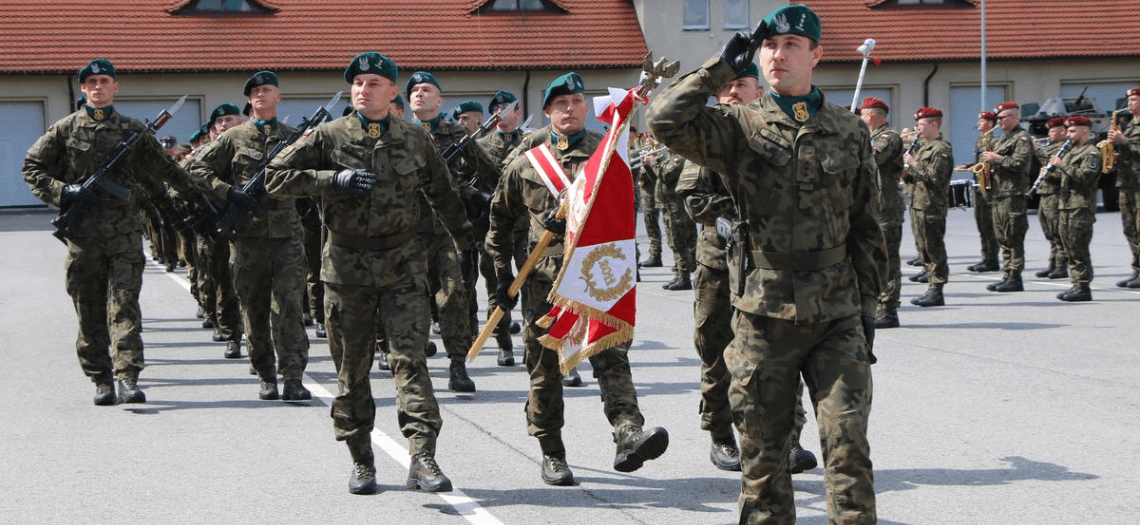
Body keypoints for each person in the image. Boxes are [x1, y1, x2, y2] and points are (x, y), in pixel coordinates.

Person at [648, 5, 882, 522]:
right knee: (763, 458)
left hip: (837, 314)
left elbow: (867, 223)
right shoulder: (737, 125)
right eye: (770, 46)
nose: (778, 55)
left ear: (816, 54)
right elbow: (662, 119)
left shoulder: (849, 129)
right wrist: (717, 71)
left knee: (848, 449)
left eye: (792, 45)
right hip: (762, 314)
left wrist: (871, 306)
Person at [265, 52, 475, 495]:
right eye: (358, 82)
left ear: (393, 92)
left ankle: (423, 456)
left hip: (402, 267)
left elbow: (443, 194)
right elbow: (273, 178)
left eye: (374, 82)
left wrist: (466, 244)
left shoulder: (415, 139)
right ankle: (362, 459)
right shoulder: (327, 136)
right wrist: (330, 181)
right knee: (352, 370)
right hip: (345, 271)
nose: (364, 89)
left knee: (410, 361)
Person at [486, 72, 670, 487]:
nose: (569, 110)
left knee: (611, 357)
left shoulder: (607, 155)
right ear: (548, 111)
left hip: (596, 276)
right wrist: (502, 276)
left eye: (576, 102)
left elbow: (625, 213)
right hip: (544, 286)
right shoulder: (526, 163)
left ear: (587, 108)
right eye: (560, 104)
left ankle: (628, 434)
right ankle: (552, 452)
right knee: (544, 370)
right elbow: (499, 221)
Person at [22, 58, 213, 405]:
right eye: (91, 81)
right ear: (83, 88)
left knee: (125, 306)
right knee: (90, 308)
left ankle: (128, 377)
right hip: (83, 236)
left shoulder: (132, 131)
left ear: (115, 87)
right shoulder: (65, 129)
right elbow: (32, 166)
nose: (98, 87)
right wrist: (65, 192)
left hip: (124, 234)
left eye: (104, 81)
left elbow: (167, 169)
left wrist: (201, 201)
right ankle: (101, 379)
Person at [675, 62, 818, 475]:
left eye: (742, 85)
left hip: (769, 265)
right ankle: (721, 434)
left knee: (778, 354)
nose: (733, 92)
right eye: (725, 87)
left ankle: (789, 438)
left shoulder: (779, 134)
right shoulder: (709, 139)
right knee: (717, 348)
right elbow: (693, 198)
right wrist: (747, 215)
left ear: (759, 91)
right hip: (720, 263)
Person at [189, 71, 311, 401]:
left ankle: (293, 376)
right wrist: (228, 192)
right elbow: (196, 169)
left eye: (266, 89)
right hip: (247, 239)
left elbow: (315, 174)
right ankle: (266, 374)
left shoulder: (296, 137)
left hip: (287, 238)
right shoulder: (234, 138)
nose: (260, 95)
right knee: (254, 309)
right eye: (254, 91)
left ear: (278, 96)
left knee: (289, 309)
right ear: (249, 100)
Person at [407, 70, 500, 392]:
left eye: (427, 89)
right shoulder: (398, 133)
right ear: (408, 101)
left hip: (449, 230)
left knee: (453, 298)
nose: (420, 94)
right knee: (412, 301)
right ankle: (414, 368)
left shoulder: (459, 135)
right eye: (415, 90)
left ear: (439, 99)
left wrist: (485, 202)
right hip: (407, 232)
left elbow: (491, 173)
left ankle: (457, 366)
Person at [475, 89, 527, 366]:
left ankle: (533, 343)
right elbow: (462, 182)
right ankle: (504, 345)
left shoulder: (532, 143)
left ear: (517, 113)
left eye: (508, 108)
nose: (502, 113)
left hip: (526, 227)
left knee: (533, 287)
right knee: (497, 287)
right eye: (497, 109)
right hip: (493, 228)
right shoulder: (480, 146)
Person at [194, 103, 246, 357]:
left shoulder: (250, 146)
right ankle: (231, 334)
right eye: (220, 121)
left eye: (230, 119)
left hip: (249, 226)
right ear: (214, 127)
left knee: (250, 283)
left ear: (240, 121)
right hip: (217, 226)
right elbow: (182, 182)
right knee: (224, 282)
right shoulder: (204, 155)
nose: (224, 125)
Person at [861, 96, 905, 328]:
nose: (860, 117)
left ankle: (888, 310)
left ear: (873, 114)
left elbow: (872, 158)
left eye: (863, 113)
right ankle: (875, 305)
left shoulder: (889, 137)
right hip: (873, 207)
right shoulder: (871, 138)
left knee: (887, 260)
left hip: (886, 208)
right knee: (873, 259)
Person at [905, 107, 953, 307]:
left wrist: (913, 164)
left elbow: (935, 178)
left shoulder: (941, 149)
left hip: (932, 206)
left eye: (921, 125)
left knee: (934, 248)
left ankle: (937, 289)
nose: (918, 129)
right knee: (923, 248)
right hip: (918, 204)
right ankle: (931, 284)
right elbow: (913, 177)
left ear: (934, 125)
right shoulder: (924, 147)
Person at [982, 101, 1033, 292]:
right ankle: (1007, 274)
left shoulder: (1021, 138)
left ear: (1013, 117)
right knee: (1002, 237)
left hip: (1013, 194)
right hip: (999, 193)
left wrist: (997, 158)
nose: (998, 122)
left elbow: (1019, 163)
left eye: (1002, 118)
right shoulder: (1002, 137)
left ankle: (1015, 276)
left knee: (1014, 237)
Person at [1051, 116, 1101, 301]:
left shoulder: (1091, 153)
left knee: (1078, 247)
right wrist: (1050, 173)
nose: (1069, 134)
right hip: (1066, 205)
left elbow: (1085, 176)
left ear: (1085, 132)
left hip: (1081, 206)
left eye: (1072, 131)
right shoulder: (1071, 152)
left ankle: (1083, 287)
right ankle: (1076, 284)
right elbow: (1064, 177)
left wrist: (1062, 165)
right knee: (1069, 247)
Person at [648, 149, 697, 290]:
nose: (666, 146)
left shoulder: (680, 158)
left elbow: (665, 174)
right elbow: (657, 178)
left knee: (679, 242)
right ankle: (678, 274)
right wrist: (649, 165)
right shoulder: (670, 158)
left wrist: (652, 161)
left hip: (677, 208)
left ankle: (684, 277)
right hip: (668, 206)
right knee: (673, 242)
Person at [959, 111, 1001, 273]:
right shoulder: (980, 140)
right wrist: (970, 166)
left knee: (989, 225)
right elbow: (980, 162)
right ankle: (986, 257)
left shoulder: (994, 141)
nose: (978, 123)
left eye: (981, 120)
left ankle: (992, 259)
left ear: (990, 124)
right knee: (982, 224)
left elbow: (993, 162)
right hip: (979, 185)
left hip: (989, 188)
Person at [1107, 87, 1140, 288]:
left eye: (1135, 99)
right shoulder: (1130, 125)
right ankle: (1137, 271)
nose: (1130, 103)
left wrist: (1122, 140)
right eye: (1129, 99)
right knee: (1130, 230)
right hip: (1127, 183)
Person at [1034, 117, 1070, 279]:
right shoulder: (1051, 146)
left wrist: (1037, 151)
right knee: (1048, 231)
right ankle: (1052, 264)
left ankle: (1061, 266)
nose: (1049, 134)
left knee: (1057, 231)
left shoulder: (1065, 148)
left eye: (1053, 131)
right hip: (1045, 193)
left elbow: (1062, 171)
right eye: (1049, 131)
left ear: (1063, 131)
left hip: (1056, 193)